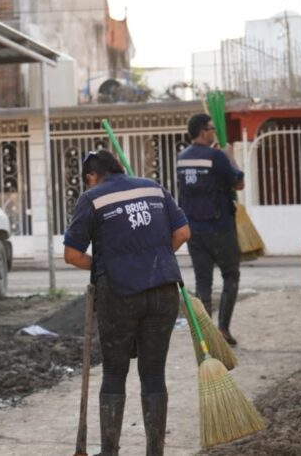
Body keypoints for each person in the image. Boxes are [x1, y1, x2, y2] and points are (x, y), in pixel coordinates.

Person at [63, 150, 191, 456]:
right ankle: (155, 452)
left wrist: (105, 265)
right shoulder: (153, 188)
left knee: (114, 372)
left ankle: (109, 452)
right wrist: (154, 259)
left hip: (119, 295)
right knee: (153, 374)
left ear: (91, 177)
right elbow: (183, 232)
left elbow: (71, 254)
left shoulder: (91, 198)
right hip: (164, 290)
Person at [176, 113, 245, 346]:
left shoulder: (181, 159)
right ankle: (223, 329)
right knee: (231, 276)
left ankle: (205, 335)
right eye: (212, 128)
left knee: (202, 282)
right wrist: (230, 156)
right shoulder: (217, 157)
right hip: (220, 228)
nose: (214, 131)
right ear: (204, 132)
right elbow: (239, 183)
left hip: (193, 230)